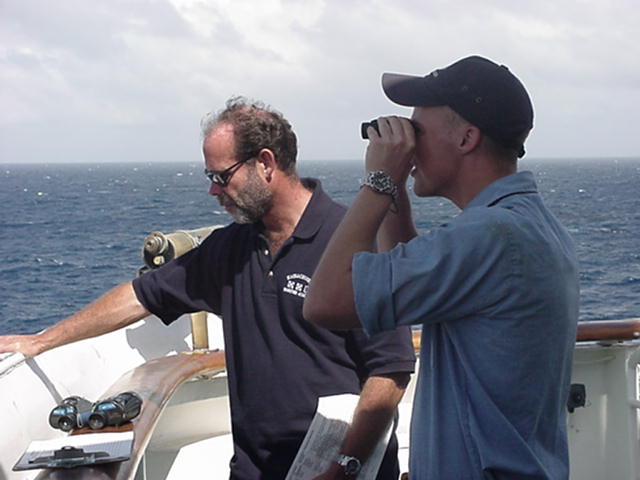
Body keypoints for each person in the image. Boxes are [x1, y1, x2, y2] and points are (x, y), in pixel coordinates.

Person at [0, 97, 415, 479]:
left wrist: (344, 466)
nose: (213, 190)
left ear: (266, 163)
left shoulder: (353, 241)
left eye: (222, 176)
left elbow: (389, 371)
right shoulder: (230, 249)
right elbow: (140, 296)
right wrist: (41, 341)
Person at [304, 56, 579, 479]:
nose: (407, 144)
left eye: (416, 130)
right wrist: (396, 188)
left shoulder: (488, 236)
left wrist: (377, 182)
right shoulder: (526, 224)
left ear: (467, 138)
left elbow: (325, 302)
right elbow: (415, 291)